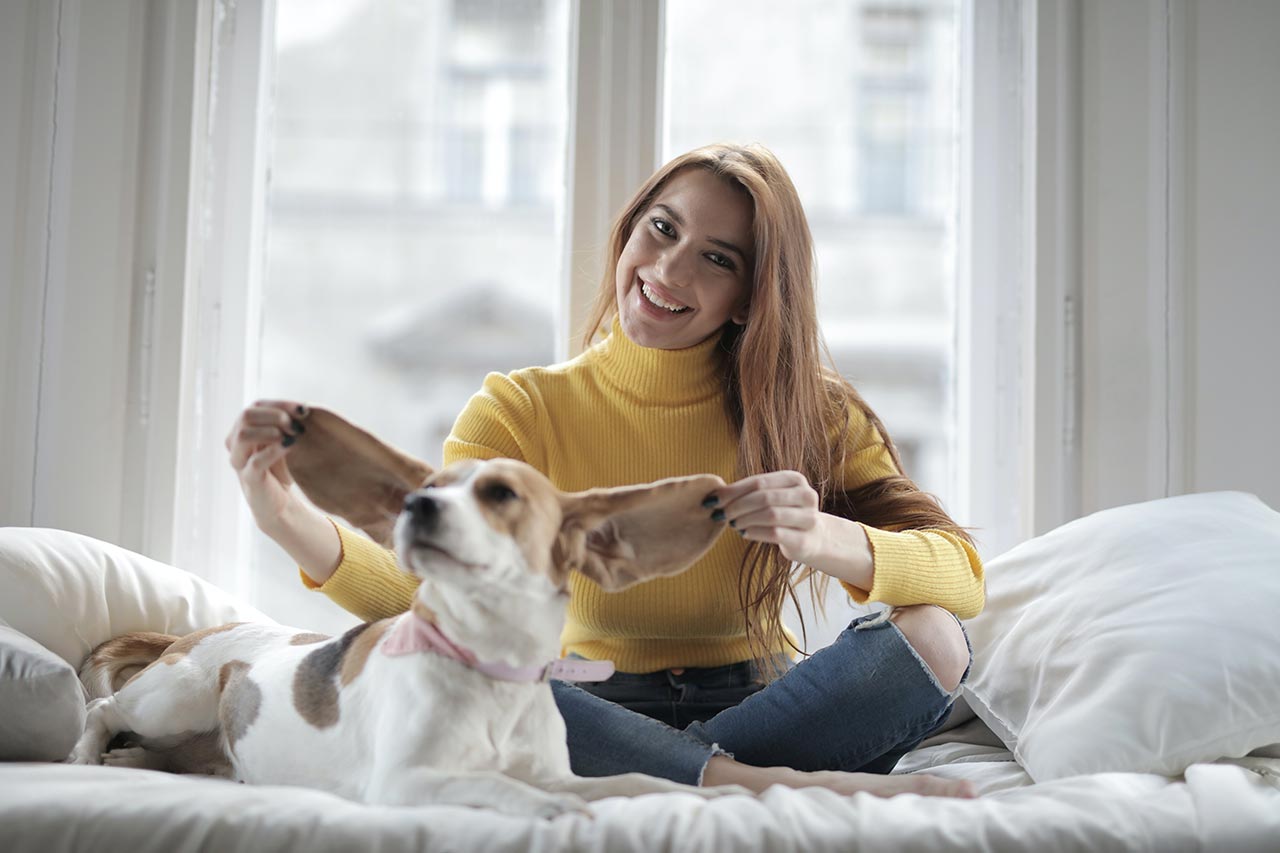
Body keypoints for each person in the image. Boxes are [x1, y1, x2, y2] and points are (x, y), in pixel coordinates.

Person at [227, 143, 984, 799]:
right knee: (502, 677)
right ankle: (737, 785)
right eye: (662, 229)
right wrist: (285, 518)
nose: (668, 268)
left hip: (762, 702)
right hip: (582, 708)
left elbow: (963, 579)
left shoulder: (810, 412)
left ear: (751, 297)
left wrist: (826, 537)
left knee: (934, 636)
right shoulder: (518, 409)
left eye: (716, 259)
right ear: (629, 231)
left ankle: (682, 773)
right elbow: (430, 594)